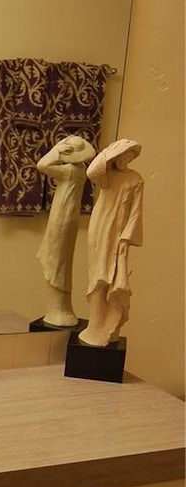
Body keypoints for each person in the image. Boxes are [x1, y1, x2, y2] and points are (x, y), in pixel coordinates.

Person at [78, 138, 143, 347]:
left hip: (119, 233)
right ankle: (95, 325)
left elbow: (136, 211)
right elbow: (91, 172)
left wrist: (126, 238)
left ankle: (108, 325)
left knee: (111, 275)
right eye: (122, 155)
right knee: (97, 276)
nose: (125, 160)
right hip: (100, 227)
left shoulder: (135, 179)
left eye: (129, 157)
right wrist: (109, 151)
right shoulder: (107, 175)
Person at [35, 135, 96, 327]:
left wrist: (58, 149)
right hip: (68, 215)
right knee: (59, 258)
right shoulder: (80, 169)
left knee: (56, 258)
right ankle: (60, 307)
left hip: (62, 216)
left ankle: (58, 309)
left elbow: (42, 165)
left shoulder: (70, 170)